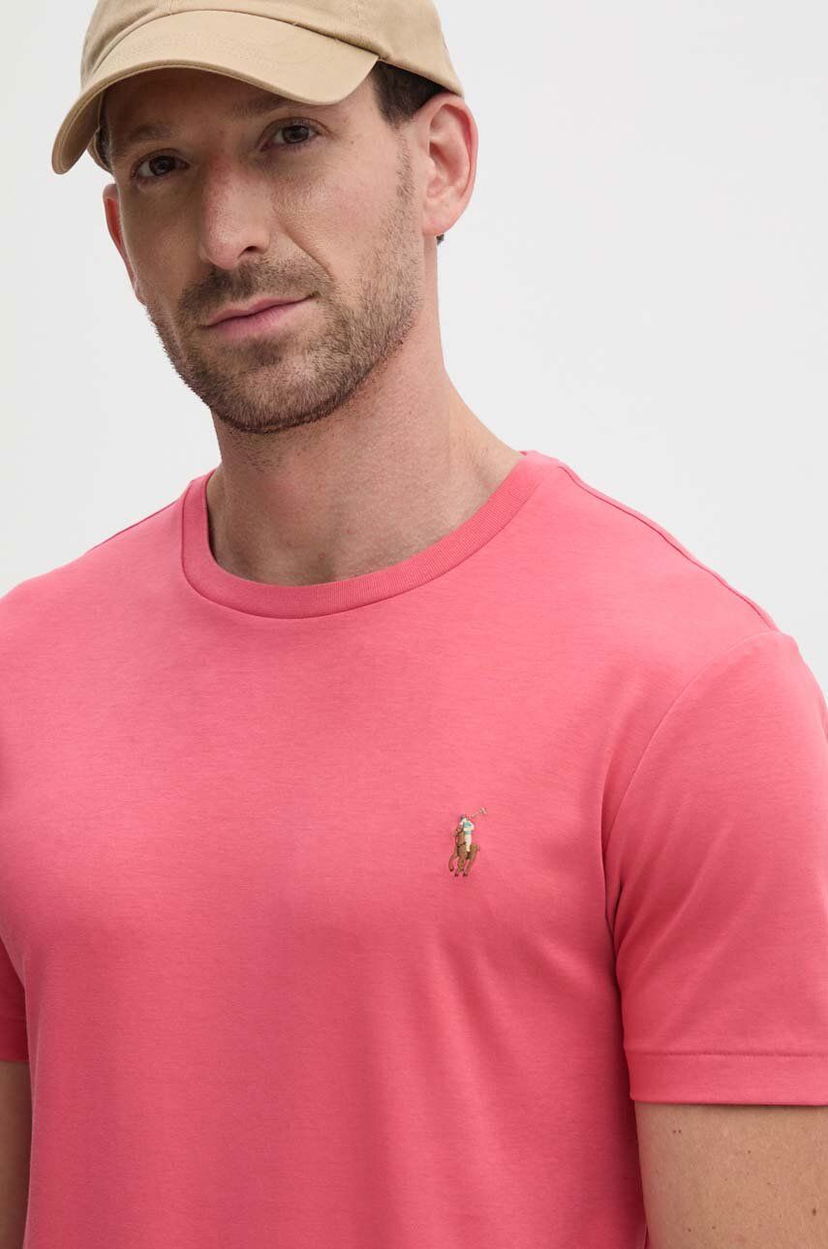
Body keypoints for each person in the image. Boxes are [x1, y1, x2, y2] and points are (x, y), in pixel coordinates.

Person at [1, 2, 827, 1247]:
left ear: (439, 163)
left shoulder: (692, 699)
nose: (226, 234)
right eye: (162, 164)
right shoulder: (22, 681)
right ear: (120, 233)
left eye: (288, 136)